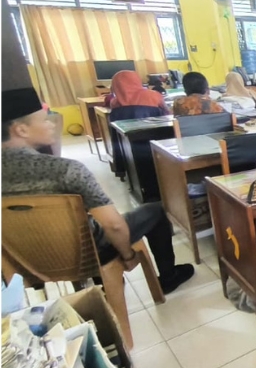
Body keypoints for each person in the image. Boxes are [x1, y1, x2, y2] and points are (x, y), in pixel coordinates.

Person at [1, 88, 194, 293]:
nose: (51, 123)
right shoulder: (65, 170)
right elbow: (114, 226)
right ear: (21, 130)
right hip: (84, 255)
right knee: (155, 210)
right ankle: (168, 277)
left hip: (24, 263)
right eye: (45, 119)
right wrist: (128, 256)